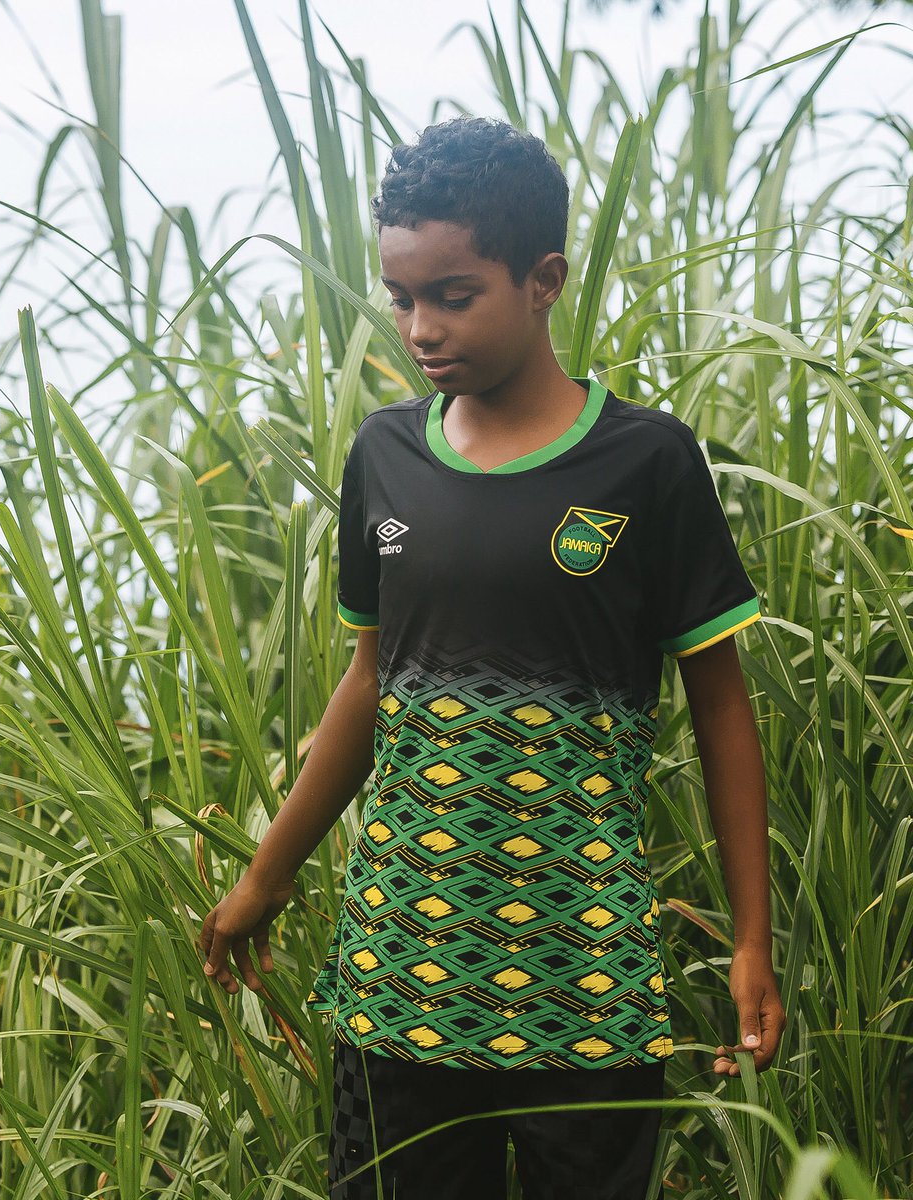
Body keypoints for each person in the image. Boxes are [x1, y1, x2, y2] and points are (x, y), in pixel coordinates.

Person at [199, 116, 786, 1199]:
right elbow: (370, 685)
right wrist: (261, 881)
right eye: (400, 295)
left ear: (543, 278)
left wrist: (753, 940)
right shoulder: (384, 457)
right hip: (398, 984)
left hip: (587, 982)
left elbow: (721, 708)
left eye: (454, 294)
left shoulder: (644, 463)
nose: (420, 326)